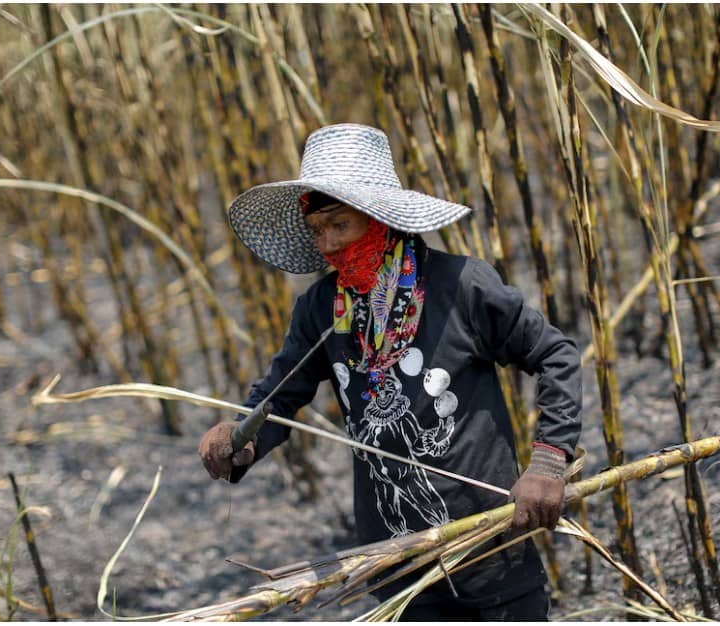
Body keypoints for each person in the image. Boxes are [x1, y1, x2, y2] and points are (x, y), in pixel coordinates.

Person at [199, 123, 582, 620]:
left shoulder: (461, 285)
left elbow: (556, 356)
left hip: (492, 551)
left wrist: (549, 462)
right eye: (318, 231)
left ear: (379, 217)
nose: (330, 244)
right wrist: (241, 436)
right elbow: (279, 395)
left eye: (341, 225)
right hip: (396, 566)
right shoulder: (321, 309)